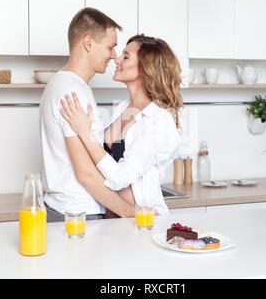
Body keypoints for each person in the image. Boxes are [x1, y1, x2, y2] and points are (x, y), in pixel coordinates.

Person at [60, 34, 184, 216]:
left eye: (126, 57)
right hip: (112, 219)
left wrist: (85, 133)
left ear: (145, 68)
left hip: (142, 223)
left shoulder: (159, 121)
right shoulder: (123, 107)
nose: (116, 59)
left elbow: (120, 178)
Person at [39, 7, 137, 222]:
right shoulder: (74, 92)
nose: (113, 56)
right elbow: (86, 174)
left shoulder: (58, 83)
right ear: (88, 43)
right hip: (78, 213)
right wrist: (132, 213)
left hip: (62, 208)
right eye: (111, 47)